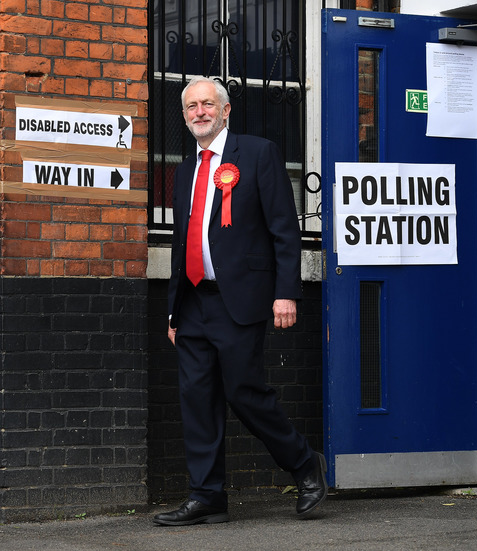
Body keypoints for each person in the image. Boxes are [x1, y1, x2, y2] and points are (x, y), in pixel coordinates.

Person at [153, 77, 327, 526]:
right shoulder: (187, 168)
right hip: (193, 301)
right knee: (197, 398)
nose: (199, 112)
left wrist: (286, 292)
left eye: (207, 104)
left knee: (245, 394)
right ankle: (207, 495)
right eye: (191, 106)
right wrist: (174, 309)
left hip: (241, 299)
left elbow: (284, 230)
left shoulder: (257, 153)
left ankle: (305, 464)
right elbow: (181, 242)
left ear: (225, 110)